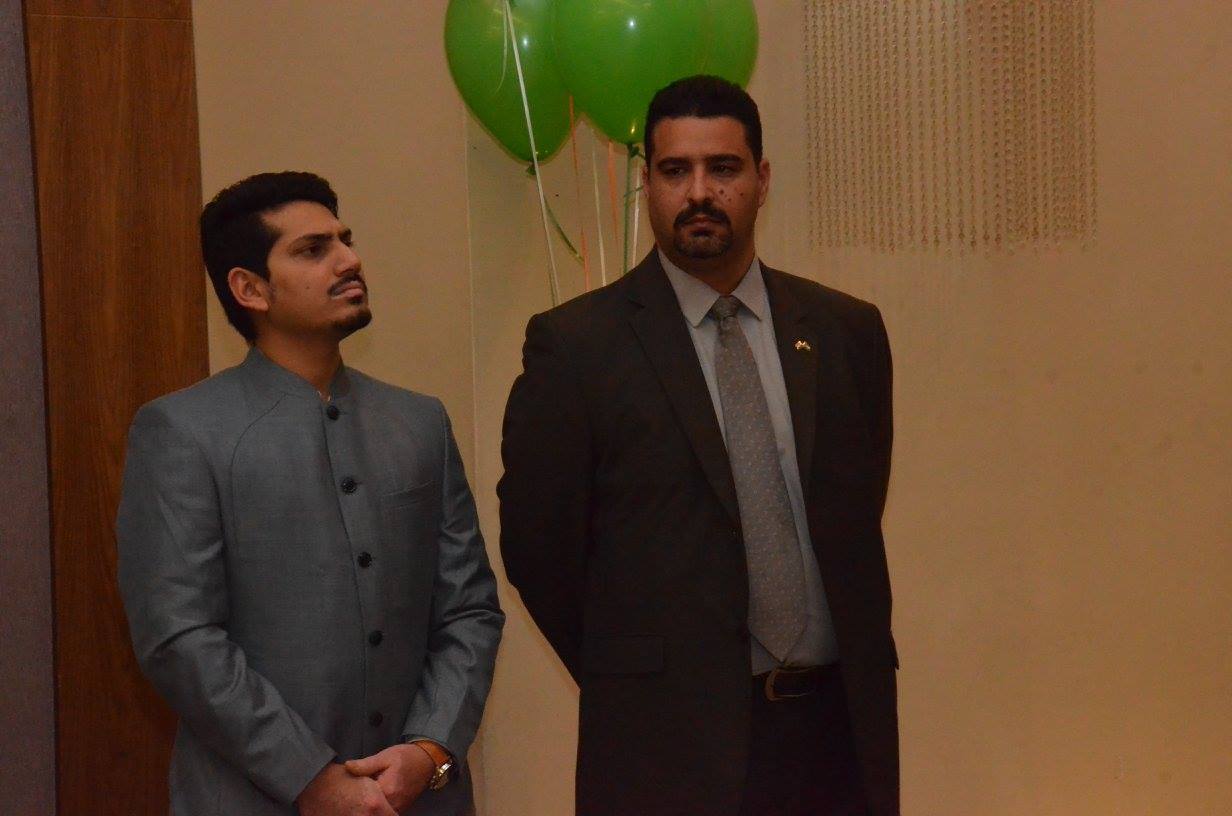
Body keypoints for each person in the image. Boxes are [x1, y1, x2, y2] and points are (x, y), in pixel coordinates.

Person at [499, 76, 898, 816]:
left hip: (836, 733)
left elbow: (856, 504)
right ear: (646, 184)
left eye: (724, 168)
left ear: (762, 180)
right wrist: (635, 675)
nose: (700, 193)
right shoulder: (576, 347)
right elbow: (538, 547)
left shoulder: (847, 331)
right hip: (665, 746)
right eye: (675, 170)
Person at [117, 171, 503, 816]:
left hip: (418, 800)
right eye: (313, 249)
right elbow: (178, 637)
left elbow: (470, 610)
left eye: (345, 240)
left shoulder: (419, 422)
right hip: (253, 799)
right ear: (250, 289)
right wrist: (311, 778)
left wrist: (429, 749)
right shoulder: (182, 431)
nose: (349, 260)